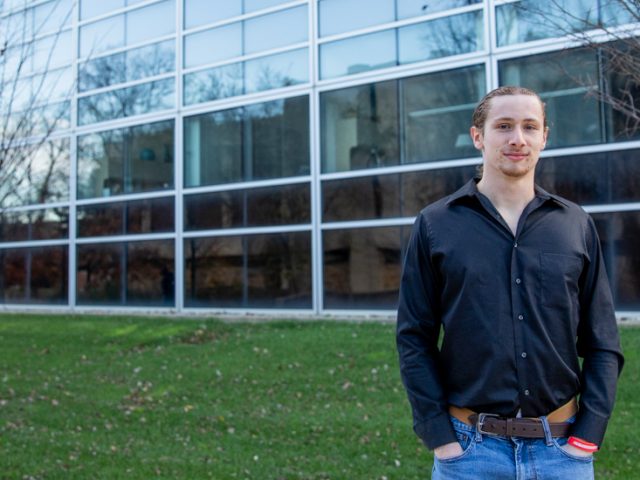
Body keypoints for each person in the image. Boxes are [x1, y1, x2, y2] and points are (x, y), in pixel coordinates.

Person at [396, 86, 624, 479]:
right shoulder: (436, 224)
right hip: (469, 454)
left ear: (544, 137)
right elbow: (414, 337)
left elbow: (602, 342)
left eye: (529, 126)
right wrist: (439, 437)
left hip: (562, 452)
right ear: (478, 137)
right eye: (504, 126)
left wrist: (588, 435)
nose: (518, 138)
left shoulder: (575, 224)